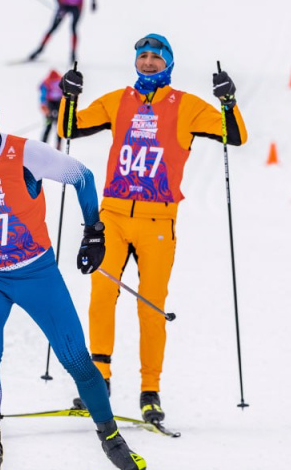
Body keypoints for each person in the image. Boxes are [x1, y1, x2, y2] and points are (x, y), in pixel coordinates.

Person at [0, 89, 148, 470]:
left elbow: (81, 176)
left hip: (35, 273)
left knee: (76, 358)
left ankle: (111, 439)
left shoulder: (25, 153)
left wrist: (94, 232)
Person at [57, 33, 247, 424]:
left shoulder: (187, 106)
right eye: (142, 56)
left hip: (158, 221)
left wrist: (229, 102)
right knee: (101, 297)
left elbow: (234, 135)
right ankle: (99, 381)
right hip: (112, 215)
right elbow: (70, 129)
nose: (147, 62)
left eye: (155, 57)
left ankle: (150, 391)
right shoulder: (118, 100)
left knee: (152, 308)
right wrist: (69, 96)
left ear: (168, 63)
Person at [39, 69, 63, 149]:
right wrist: (45, 109)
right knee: (48, 125)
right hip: (50, 105)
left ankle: (58, 146)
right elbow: (43, 97)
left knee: (59, 126)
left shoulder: (61, 81)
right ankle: (43, 145)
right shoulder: (46, 83)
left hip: (59, 104)